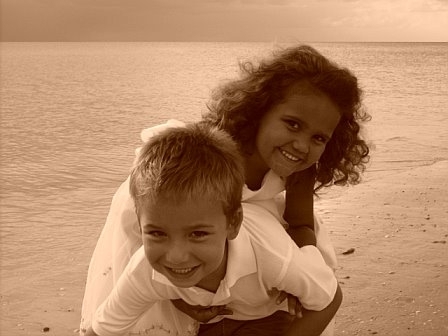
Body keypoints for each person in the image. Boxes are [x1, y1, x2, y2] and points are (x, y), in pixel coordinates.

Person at [80, 44, 370, 335]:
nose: (302, 145)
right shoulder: (214, 156)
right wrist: (181, 300)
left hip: (238, 241)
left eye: (318, 137)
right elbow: (153, 233)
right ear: (260, 111)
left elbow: (302, 223)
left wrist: (305, 267)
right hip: (164, 214)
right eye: (292, 124)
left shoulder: (300, 172)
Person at [85, 124, 340, 336]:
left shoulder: (274, 257)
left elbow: (329, 299)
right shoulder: (145, 271)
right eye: (157, 233)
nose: (176, 256)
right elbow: (101, 330)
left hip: (271, 316)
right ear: (139, 224)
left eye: (197, 234)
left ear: (233, 224)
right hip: (210, 323)